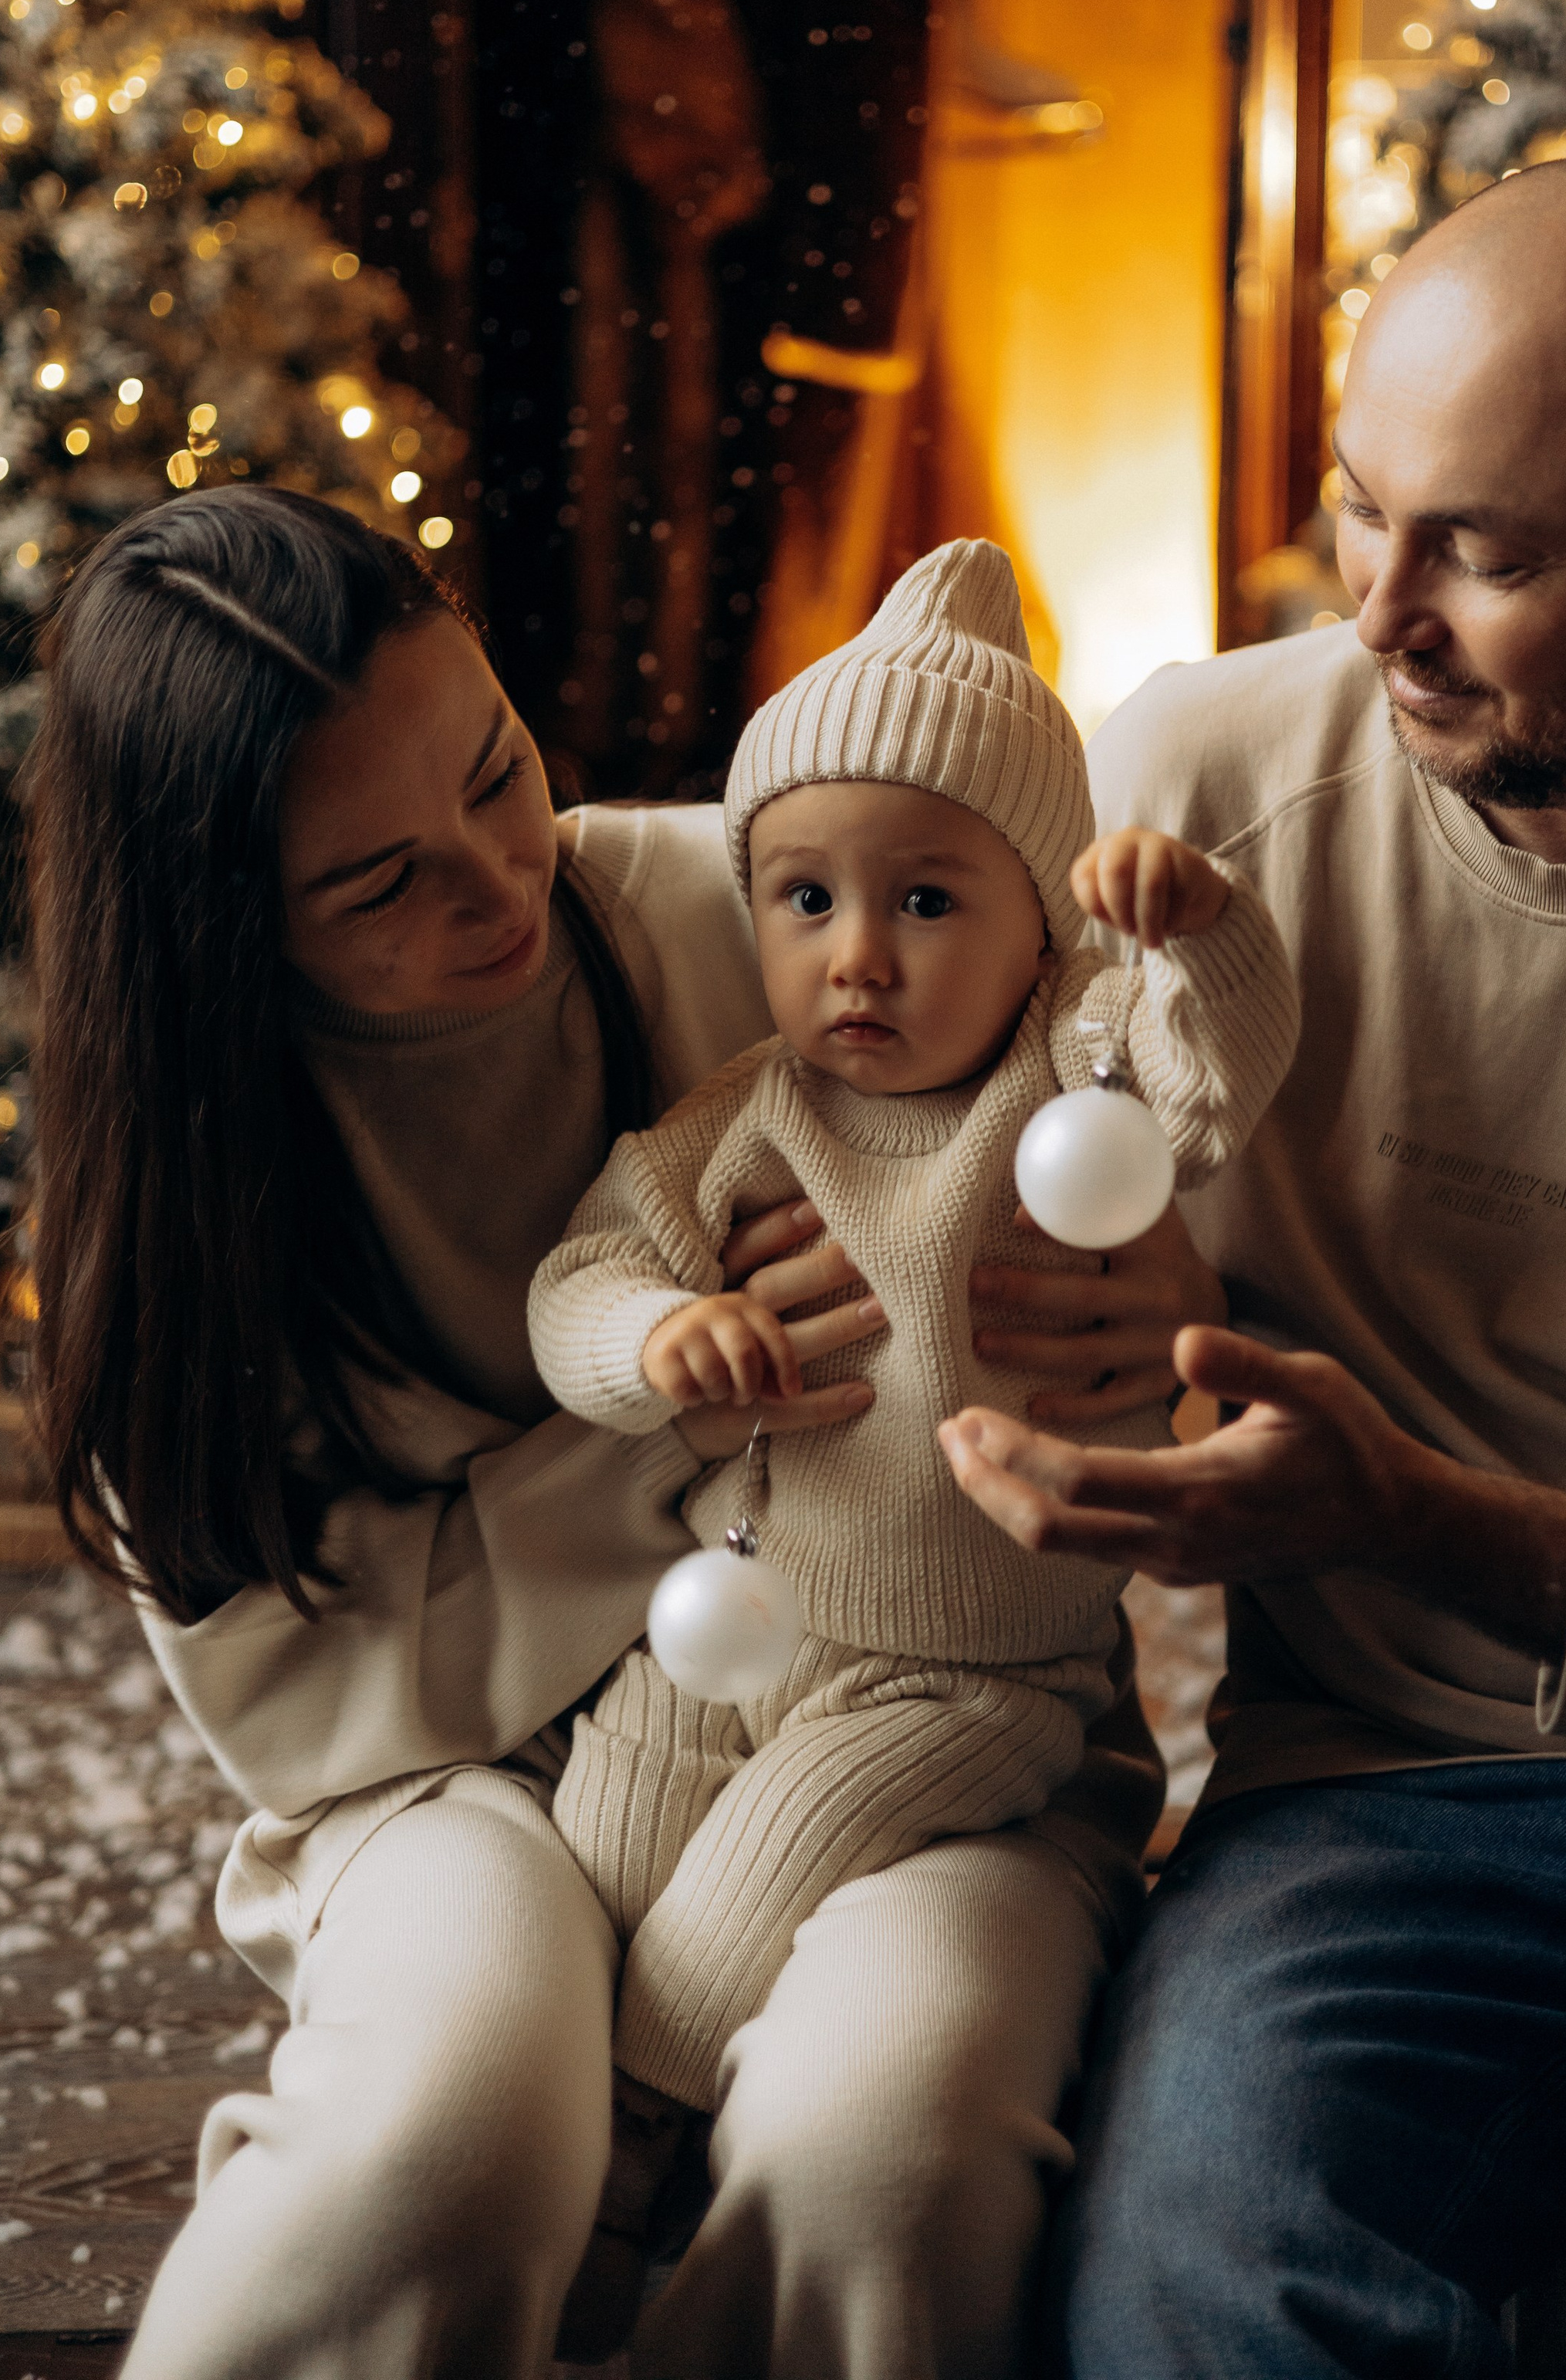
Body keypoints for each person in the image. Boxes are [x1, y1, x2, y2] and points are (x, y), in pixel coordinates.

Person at [27, 483, 1216, 2380]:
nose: (502, 882)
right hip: (444, 1780)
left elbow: (1108, 1060)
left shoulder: (743, 899)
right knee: (441, 2148)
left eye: (496, 773)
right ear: (219, 923)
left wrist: (1165, 1288)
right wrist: (680, 1414)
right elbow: (317, 1708)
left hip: (910, 1692)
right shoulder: (167, 1214)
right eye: (377, 883)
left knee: (880, 2156)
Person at [942, 157, 1566, 2375]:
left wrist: (1406, 1516)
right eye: (1358, 508)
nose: (1379, 611)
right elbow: (888, 1129)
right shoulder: (1199, 787)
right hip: (1374, 1796)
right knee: (1189, 2286)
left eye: (1488, 553)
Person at [528, 540, 1294, 2199]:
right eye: (805, 901)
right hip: (735, 1621)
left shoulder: (1065, 1085)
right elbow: (578, 1279)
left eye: (925, 901)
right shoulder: (742, 1117)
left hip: (964, 1675)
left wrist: (1202, 932)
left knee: (729, 1910)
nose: (856, 958)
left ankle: (635, 2175)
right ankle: (562, 2130)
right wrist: (651, 1339)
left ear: (1039, 926)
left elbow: (1216, 1070)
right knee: (590, 1859)